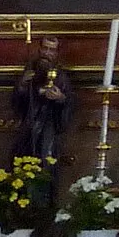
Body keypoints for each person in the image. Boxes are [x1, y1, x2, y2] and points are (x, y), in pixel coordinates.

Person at [11, 34, 78, 166]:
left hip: (48, 128)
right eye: (45, 48)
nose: (47, 53)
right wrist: (23, 85)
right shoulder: (29, 71)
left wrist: (60, 98)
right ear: (40, 49)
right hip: (29, 127)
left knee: (46, 162)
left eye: (51, 50)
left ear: (56, 53)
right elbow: (17, 101)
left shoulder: (61, 77)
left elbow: (70, 102)